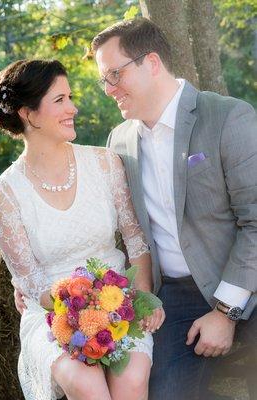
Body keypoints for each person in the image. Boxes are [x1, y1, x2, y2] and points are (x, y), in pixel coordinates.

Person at [91, 18, 257, 400]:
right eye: (104, 79)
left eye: (114, 74)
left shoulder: (228, 117)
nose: (108, 89)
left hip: (244, 279)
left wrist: (225, 311)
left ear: (151, 63)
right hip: (177, 295)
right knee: (162, 392)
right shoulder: (120, 141)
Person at [0, 59, 165, 400]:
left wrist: (141, 297)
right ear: (28, 113)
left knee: (131, 379)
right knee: (87, 385)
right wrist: (82, 316)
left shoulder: (104, 162)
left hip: (122, 302)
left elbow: (135, 239)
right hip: (53, 314)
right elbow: (30, 281)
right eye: (59, 100)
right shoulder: (4, 194)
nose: (73, 107)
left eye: (70, 97)